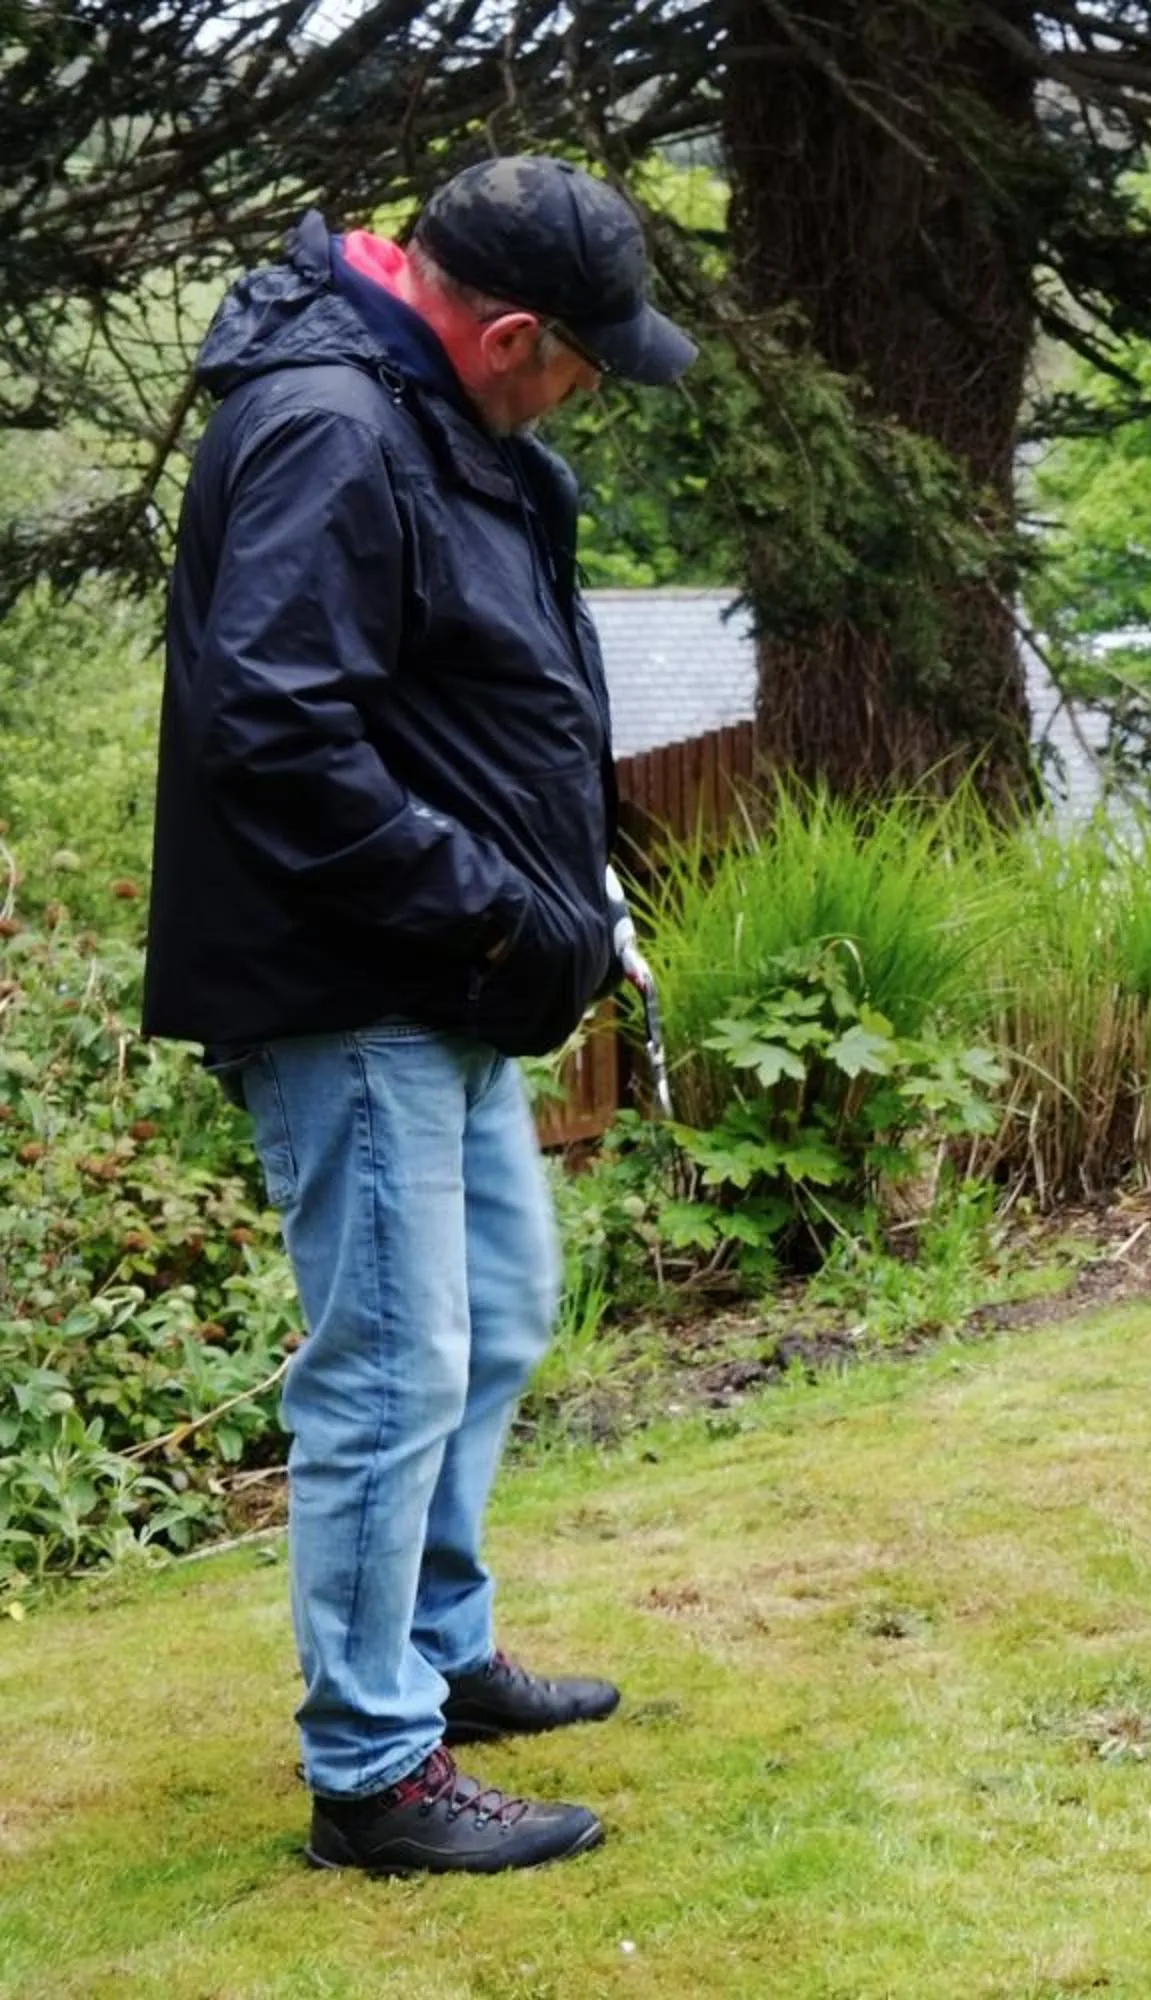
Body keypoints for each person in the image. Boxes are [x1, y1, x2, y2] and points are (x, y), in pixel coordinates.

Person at [144, 155, 697, 1874]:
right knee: (387, 1372)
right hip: (359, 983)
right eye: (582, 367)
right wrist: (495, 920)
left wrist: (570, 906)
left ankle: (437, 1659)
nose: (582, 397)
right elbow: (281, 742)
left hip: (439, 977)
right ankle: (375, 1771)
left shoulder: (433, 418)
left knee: (500, 1317)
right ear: (511, 332)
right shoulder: (335, 424)